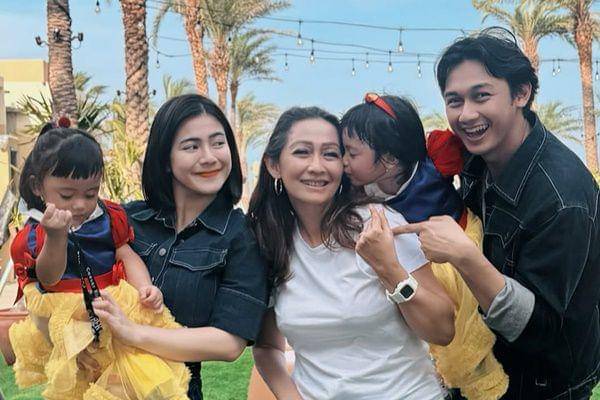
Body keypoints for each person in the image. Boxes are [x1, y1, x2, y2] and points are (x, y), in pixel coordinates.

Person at [394, 27, 600, 399]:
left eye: (481, 96)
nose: (466, 114)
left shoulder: (561, 197)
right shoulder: (474, 157)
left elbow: (540, 329)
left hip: (542, 385)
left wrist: (464, 257)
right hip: (484, 368)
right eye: (454, 100)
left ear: (521, 94)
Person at [249, 106, 455, 400]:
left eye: (330, 154)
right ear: (274, 165)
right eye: (302, 152)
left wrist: (389, 269)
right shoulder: (270, 241)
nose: (317, 166)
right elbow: (267, 347)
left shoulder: (378, 222)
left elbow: (443, 329)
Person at [92, 94, 270, 400]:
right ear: (165, 160)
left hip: (175, 390)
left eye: (218, 143)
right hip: (96, 385)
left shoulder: (243, 236)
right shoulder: (127, 220)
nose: (210, 157)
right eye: (191, 146)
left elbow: (229, 343)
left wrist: (134, 333)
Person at [340, 93, 508, 400]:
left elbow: (473, 153)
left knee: (462, 328)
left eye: (351, 153)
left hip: (455, 248)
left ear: (389, 160)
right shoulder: (357, 188)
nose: (343, 162)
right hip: (419, 254)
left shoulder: (436, 162)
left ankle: (478, 381)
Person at [9, 127, 190, 399]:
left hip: (111, 303)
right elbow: (48, 278)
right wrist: (56, 237)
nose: (80, 205)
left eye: (91, 193)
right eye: (67, 195)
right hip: (68, 315)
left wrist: (145, 287)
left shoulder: (109, 217)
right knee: (80, 380)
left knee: (130, 372)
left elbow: (125, 255)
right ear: (38, 187)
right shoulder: (36, 232)